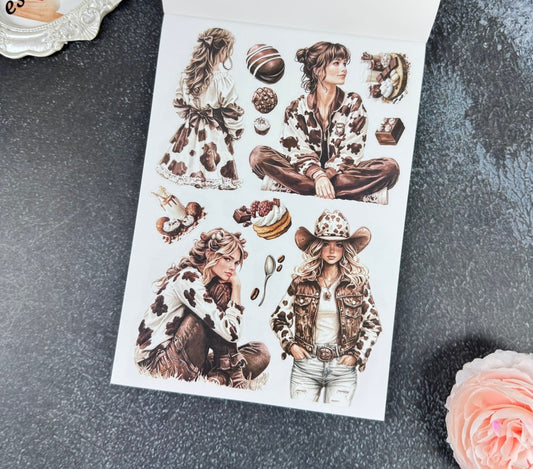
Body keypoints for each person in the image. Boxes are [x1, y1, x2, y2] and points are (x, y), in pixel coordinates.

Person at [249, 41, 399, 204]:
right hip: (306, 171)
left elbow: (352, 150)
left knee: (390, 168)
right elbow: (296, 150)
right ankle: (351, 193)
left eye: (344, 63)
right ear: (317, 70)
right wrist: (317, 174)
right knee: (258, 155)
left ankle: (296, 187)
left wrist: (325, 175)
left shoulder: (352, 103)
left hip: (340, 172)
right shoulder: (296, 108)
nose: (344, 69)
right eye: (336, 63)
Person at [270, 210, 382, 405]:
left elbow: (373, 324)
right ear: (317, 247)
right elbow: (278, 318)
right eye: (325, 244)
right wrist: (291, 346)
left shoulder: (357, 285)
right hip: (306, 367)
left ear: (346, 248)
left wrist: (356, 355)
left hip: (342, 368)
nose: (332, 251)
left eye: (338, 244)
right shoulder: (301, 282)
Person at [135, 228, 270, 388]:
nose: (232, 267)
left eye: (235, 262)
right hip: (159, 364)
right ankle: (233, 377)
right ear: (210, 254)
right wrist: (236, 287)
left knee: (260, 352)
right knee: (220, 292)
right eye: (227, 259)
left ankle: (219, 377)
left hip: (185, 356)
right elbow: (231, 333)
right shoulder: (188, 279)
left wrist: (235, 286)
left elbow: (227, 335)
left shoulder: (205, 283)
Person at [157, 28, 244, 189]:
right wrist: (235, 132)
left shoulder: (187, 75)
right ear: (223, 51)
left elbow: (178, 102)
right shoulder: (223, 80)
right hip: (214, 133)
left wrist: (191, 116)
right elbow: (231, 113)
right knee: (212, 169)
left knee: (189, 170)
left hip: (189, 130)